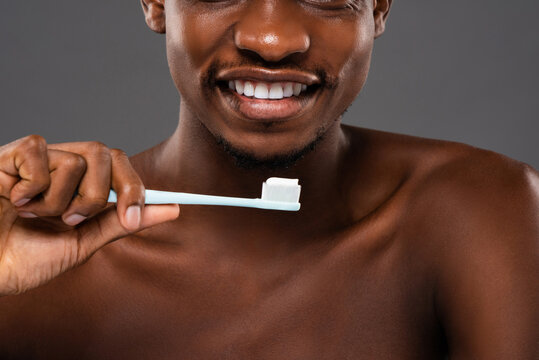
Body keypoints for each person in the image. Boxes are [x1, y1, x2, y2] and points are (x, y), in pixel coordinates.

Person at [0, 0, 537, 358]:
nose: (273, 40)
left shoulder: (482, 213)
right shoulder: (37, 268)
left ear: (378, 6)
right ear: (156, 2)